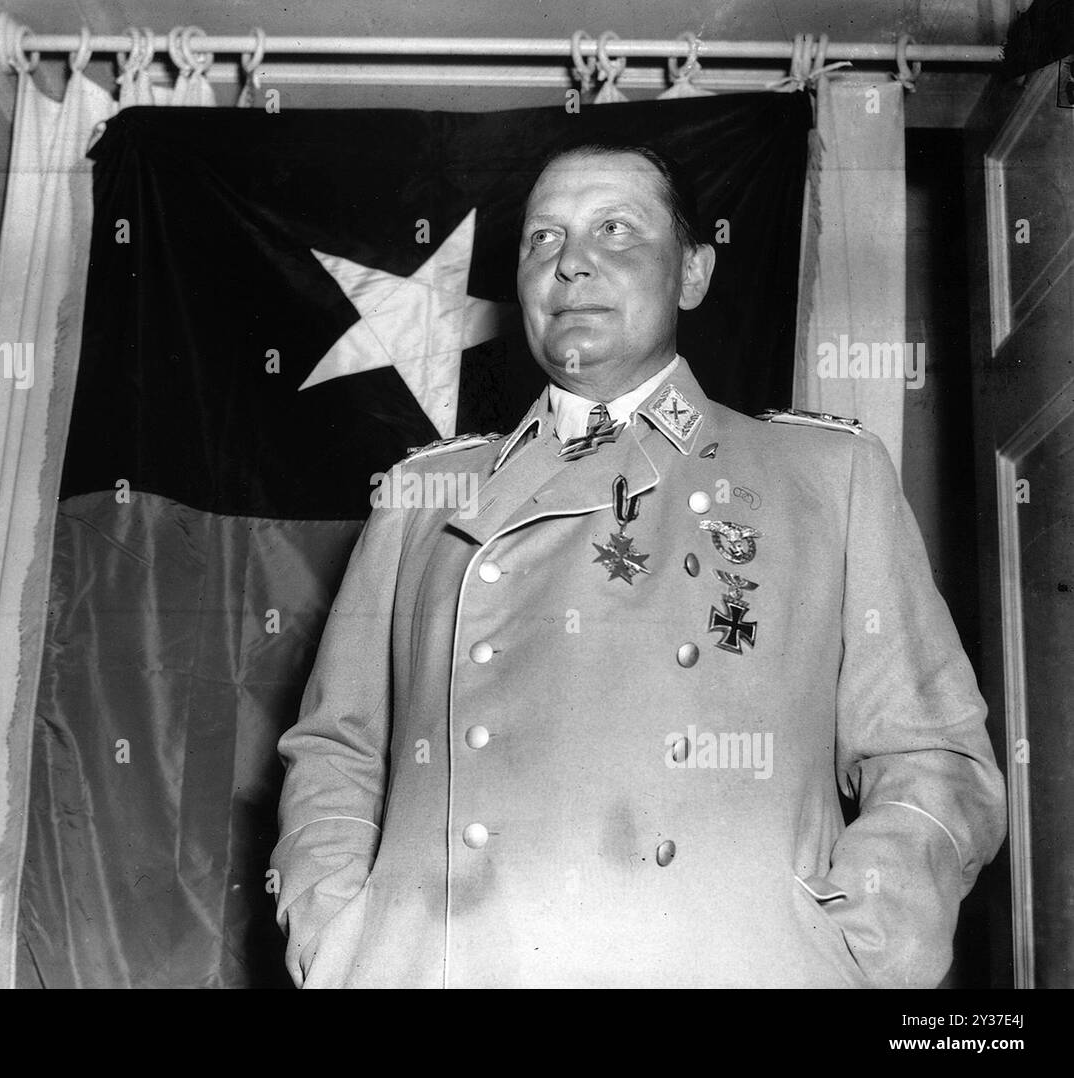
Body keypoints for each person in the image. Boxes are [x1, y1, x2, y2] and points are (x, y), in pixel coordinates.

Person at [269, 142, 1007, 988]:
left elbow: (934, 758)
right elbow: (336, 747)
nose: (572, 261)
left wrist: (853, 955)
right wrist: (339, 943)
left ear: (692, 273)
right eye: (542, 238)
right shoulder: (423, 493)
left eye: (614, 229)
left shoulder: (823, 477)